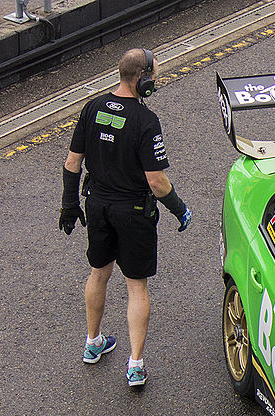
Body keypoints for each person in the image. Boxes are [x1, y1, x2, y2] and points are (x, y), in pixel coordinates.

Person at [59, 47, 191, 388]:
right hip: (134, 211)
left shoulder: (92, 108)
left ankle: (93, 342)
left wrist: (68, 204)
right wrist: (179, 208)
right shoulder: (146, 121)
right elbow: (156, 181)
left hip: (97, 205)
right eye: (155, 76)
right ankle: (135, 366)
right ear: (143, 80)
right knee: (136, 287)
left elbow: (73, 163)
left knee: (98, 273)